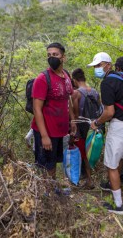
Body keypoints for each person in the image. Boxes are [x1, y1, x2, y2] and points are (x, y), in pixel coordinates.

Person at [88, 53, 123, 215]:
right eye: (95, 66)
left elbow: (109, 112)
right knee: (121, 158)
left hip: (120, 128)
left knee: (111, 165)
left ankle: (118, 206)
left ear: (109, 65)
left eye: (99, 65)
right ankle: (112, 184)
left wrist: (96, 123)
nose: (97, 68)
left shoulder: (108, 82)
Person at [31, 42, 76, 179]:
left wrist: (72, 120)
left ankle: (53, 189)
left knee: (54, 162)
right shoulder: (43, 78)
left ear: (63, 57)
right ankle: (46, 194)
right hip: (46, 131)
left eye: (55, 54)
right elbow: (37, 109)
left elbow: (67, 98)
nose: (52, 58)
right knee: (45, 166)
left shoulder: (66, 76)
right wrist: (44, 136)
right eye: (49, 55)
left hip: (60, 131)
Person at [71, 68, 101, 189]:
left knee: (82, 154)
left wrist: (74, 130)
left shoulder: (76, 93)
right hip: (94, 125)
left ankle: (87, 180)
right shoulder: (95, 92)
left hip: (82, 127)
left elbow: (76, 114)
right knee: (90, 152)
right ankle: (89, 179)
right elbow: (100, 110)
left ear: (74, 80)